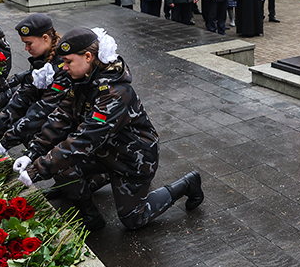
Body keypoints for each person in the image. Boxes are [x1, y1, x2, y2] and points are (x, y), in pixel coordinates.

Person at [13, 27, 203, 231]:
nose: (64, 67)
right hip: (103, 152)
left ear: (87, 57)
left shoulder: (115, 93)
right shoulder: (81, 80)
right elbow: (61, 117)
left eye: (68, 62)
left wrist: (38, 169)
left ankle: (188, 183)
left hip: (132, 159)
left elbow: (85, 139)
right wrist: (33, 152)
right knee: (63, 167)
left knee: (133, 219)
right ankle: (91, 216)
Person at [0, 13, 69, 155]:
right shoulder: (42, 59)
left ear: (45, 38)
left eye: (29, 43)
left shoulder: (64, 65)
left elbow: (45, 108)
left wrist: (6, 141)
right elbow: (23, 94)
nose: (26, 49)